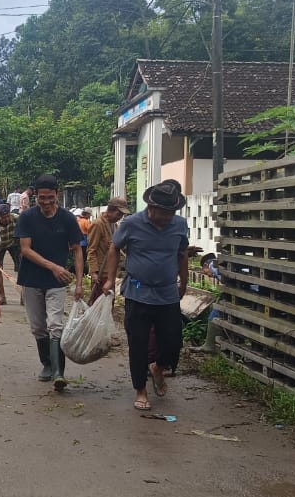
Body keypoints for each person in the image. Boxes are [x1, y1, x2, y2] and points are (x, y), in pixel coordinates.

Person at [99, 180, 190, 412]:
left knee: (172, 342)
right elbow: (113, 248)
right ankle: (140, 390)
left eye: (171, 213)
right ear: (151, 208)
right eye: (163, 213)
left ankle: (159, 367)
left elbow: (182, 254)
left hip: (167, 293)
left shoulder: (179, 225)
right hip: (138, 293)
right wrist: (110, 279)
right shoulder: (131, 224)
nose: (167, 217)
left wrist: (184, 282)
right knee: (138, 345)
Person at [16, 173, 83, 390]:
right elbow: (25, 250)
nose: (46, 202)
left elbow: (77, 250)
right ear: (35, 195)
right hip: (32, 279)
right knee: (38, 327)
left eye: (50, 198)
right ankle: (46, 363)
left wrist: (80, 282)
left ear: (58, 194)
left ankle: (58, 372)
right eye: (41, 198)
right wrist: (53, 266)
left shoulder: (67, 219)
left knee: (55, 324)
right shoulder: (27, 218)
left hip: (57, 283)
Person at [86, 197, 130, 291]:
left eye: (122, 215)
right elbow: (91, 250)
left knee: (109, 302)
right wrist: (94, 272)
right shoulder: (98, 224)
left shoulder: (115, 225)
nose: (120, 217)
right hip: (101, 273)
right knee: (99, 303)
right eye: (118, 214)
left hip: (111, 272)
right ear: (110, 210)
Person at [0, 202, 19, 305]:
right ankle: (2, 297)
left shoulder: (17, 219)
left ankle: (24, 296)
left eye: (7, 216)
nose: (6, 219)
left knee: (22, 268)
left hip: (14, 243)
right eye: (3, 217)